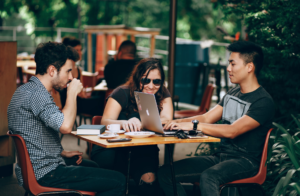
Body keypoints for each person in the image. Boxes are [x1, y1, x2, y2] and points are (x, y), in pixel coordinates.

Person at [7, 42, 126, 196]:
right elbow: (65, 127)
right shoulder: (38, 95)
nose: (71, 77)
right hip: (45, 173)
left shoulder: (26, 90)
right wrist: (72, 93)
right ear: (52, 70)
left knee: (95, 166)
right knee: (119, 180)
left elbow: (33, 134)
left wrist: (61, 152)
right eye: (68, 71)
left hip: (36, 168)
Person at [158, 41, 275, 196]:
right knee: (165, 173)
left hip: (246, 162)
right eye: (229, 64)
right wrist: (175, 122)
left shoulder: (263, 101)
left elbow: (232, 131)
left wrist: (194, 126)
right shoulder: (232, 94)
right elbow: (207, 117)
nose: (228, 68)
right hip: (220, 157)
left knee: (209, 177)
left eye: (233, 64)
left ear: (249, 67)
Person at [91, 58, 173, 196]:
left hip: (143, 150)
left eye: (156, 81)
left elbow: (166, 119)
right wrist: (125, 123)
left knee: (150, 184)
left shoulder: (162, 93)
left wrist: (144, 123)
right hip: (114, 149)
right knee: (115, 182)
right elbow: (105, 121)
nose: (151, 86)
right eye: (145, 80)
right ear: (137, 79)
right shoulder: (122, 92)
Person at [60, 36, 103, 116]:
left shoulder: (79, 70)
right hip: (71, 103)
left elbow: (82, 92)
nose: (80, 53)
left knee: (101, 96)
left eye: (80, 50)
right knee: (102, 101)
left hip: (79, 101)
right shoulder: (63, 69)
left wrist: (85, 92)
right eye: (77, 50)